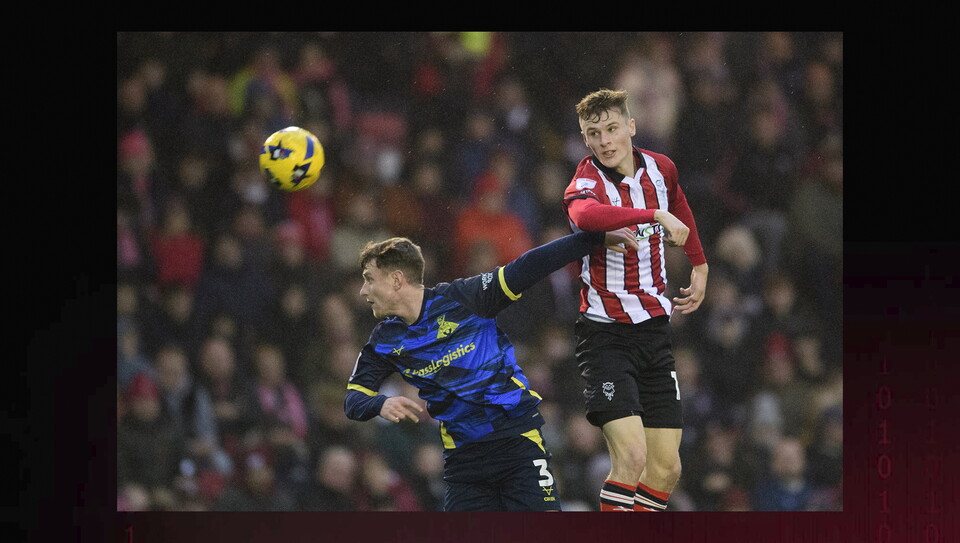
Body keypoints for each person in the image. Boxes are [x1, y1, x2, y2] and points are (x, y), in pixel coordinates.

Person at [344, 228, 639, 511]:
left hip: (516, 440)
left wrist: (593, 238)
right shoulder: (385, 340)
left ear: (396, 279)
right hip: (464, 461)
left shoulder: (464, 297)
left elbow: (530, 265)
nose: (362, 291)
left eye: (369, 279)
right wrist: (379, 403)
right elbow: (353, 400)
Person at [561, 88, 709, 512]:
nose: (604, 141)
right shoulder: (586, 181)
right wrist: (653, 216)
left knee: (666, 469)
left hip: (653, 333)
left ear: (630, 126)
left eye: (611, 129)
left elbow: (678, 202)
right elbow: (585, 218)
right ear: (585, 140)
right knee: (632, 457)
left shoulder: (662, 169)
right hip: (605, 337)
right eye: (594, 133)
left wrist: (699, 264)